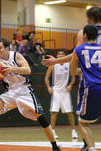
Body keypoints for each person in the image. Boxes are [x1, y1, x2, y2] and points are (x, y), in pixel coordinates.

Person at [0, 38, 61, 151]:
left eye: (0, 48)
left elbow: (27, 70)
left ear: (7, 48)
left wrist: (11, 68)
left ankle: (55, 146)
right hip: (10, 92)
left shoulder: (16, 56)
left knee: (41, 118)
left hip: (24, 90)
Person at [42, 6, 101, 151]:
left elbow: (75, 55)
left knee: (82, 117)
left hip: (90, 82)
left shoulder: (83, 33)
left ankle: (88, 145)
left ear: (89, 19)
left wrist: (56, 61)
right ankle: (87, 144)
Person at [70, 24, 101, 151]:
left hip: (92, 87)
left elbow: (73, 72)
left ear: (85, 35)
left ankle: (91, 148)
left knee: (83, 122)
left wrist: (84, 71)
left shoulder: (78, 50)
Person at [45, 50, 78, 140]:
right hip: (56, 90)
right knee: (54, 111)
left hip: (65, 91)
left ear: (65, 56)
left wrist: (70, 85)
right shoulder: (53, 65)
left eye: (62, 54)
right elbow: (46, 78)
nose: (60, 55)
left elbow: (74, 77)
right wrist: (49, 88)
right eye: (59, 54)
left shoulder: (69, 64)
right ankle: (53, 131)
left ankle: (73, 131)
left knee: (69, 112)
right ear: (57, 56)